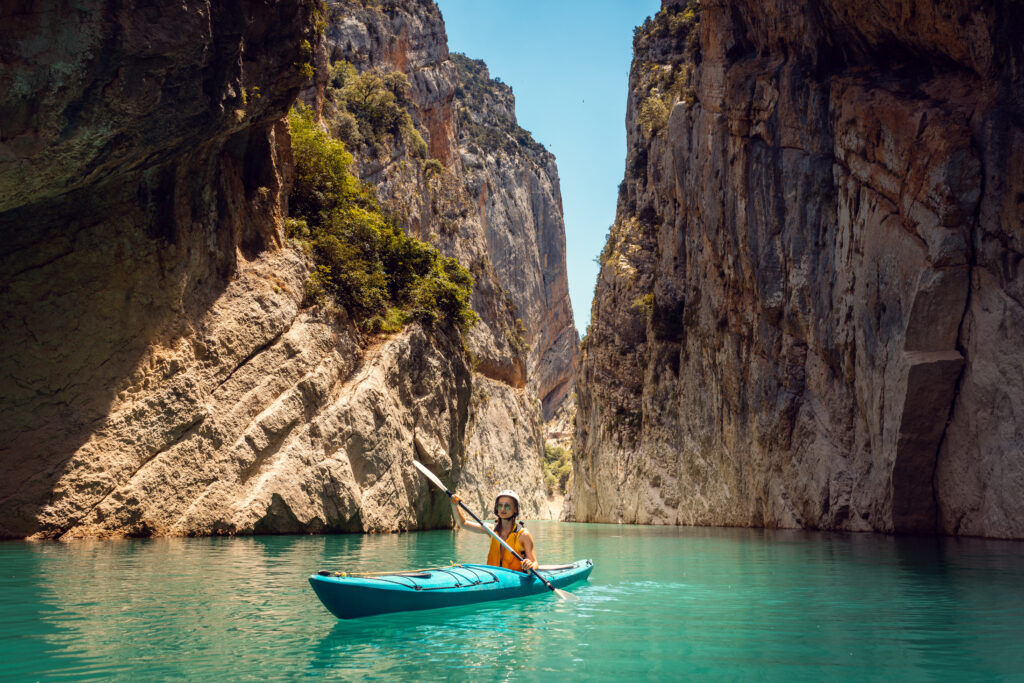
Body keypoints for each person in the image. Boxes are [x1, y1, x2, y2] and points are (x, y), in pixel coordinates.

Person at [450, 489, 538, 572]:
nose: (503, 509)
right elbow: (463, 523)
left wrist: (530, 565)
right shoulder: (492, 530)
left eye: (507, 506)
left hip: (514, 579)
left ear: (515, 509)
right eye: (500, 505)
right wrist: (454, 505)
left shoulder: (523, 535)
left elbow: (535, 563)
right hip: (493, 577)